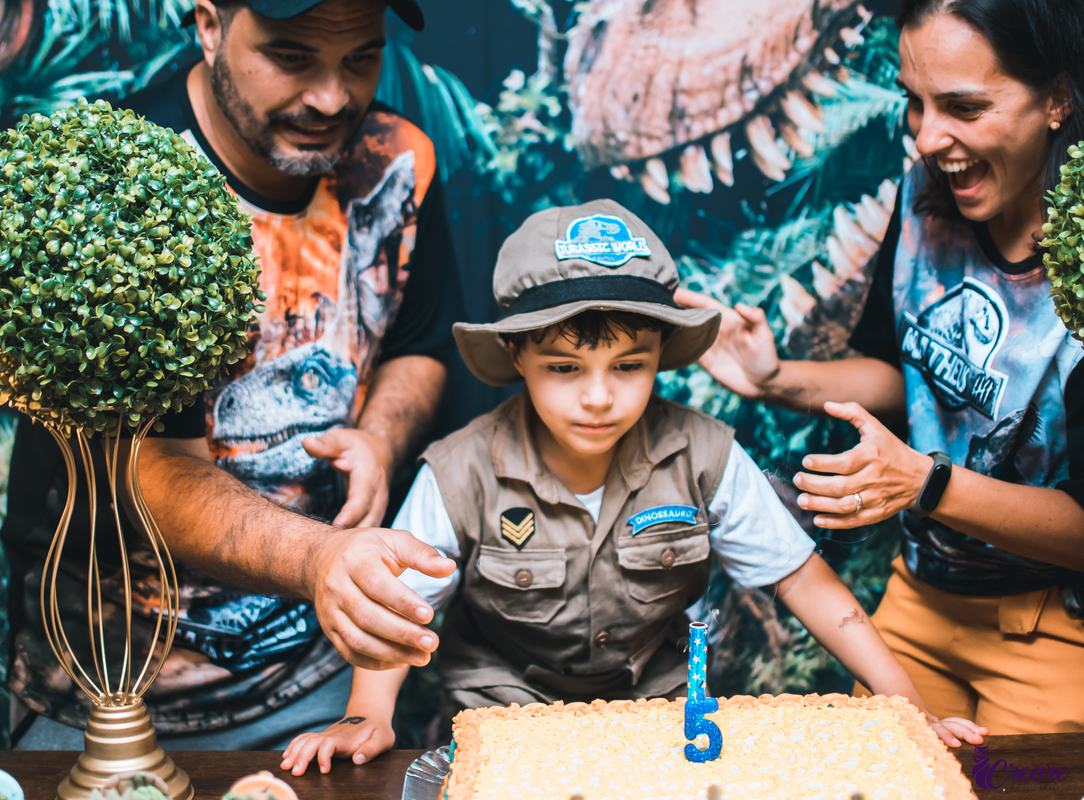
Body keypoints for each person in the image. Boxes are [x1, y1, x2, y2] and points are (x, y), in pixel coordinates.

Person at [278, 199, 985, 774]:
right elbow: (399, 608)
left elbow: (805, 583)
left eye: (628, 366)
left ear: (659, 357)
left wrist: (905, 705)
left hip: (659, 730)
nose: (598, 398)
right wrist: (368, 714)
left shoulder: (706, 454)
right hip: (504, 733)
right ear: (517, 354)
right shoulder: (457, 471)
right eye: (564, 369)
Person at [2, 0, 463, 750]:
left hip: (316, 683)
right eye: (291, 56)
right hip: (106, 696)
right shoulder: (118, 190)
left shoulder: (398, 160)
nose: (332, 97)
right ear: (210, 26)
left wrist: (379, 437)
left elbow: (420, 342)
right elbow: (149, 473)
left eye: (360, 58)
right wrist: (320, 558)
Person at [675, 0, 1084, 734]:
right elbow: (907, 379)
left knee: (1020, 784)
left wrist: (928, 484)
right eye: (915, 102)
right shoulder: (926, 199)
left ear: (1056, 99)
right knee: (886, 774)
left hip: (1051, 624)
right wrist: (776, 379)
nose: (926, 138)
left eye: (964, 107)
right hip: (921, 597)